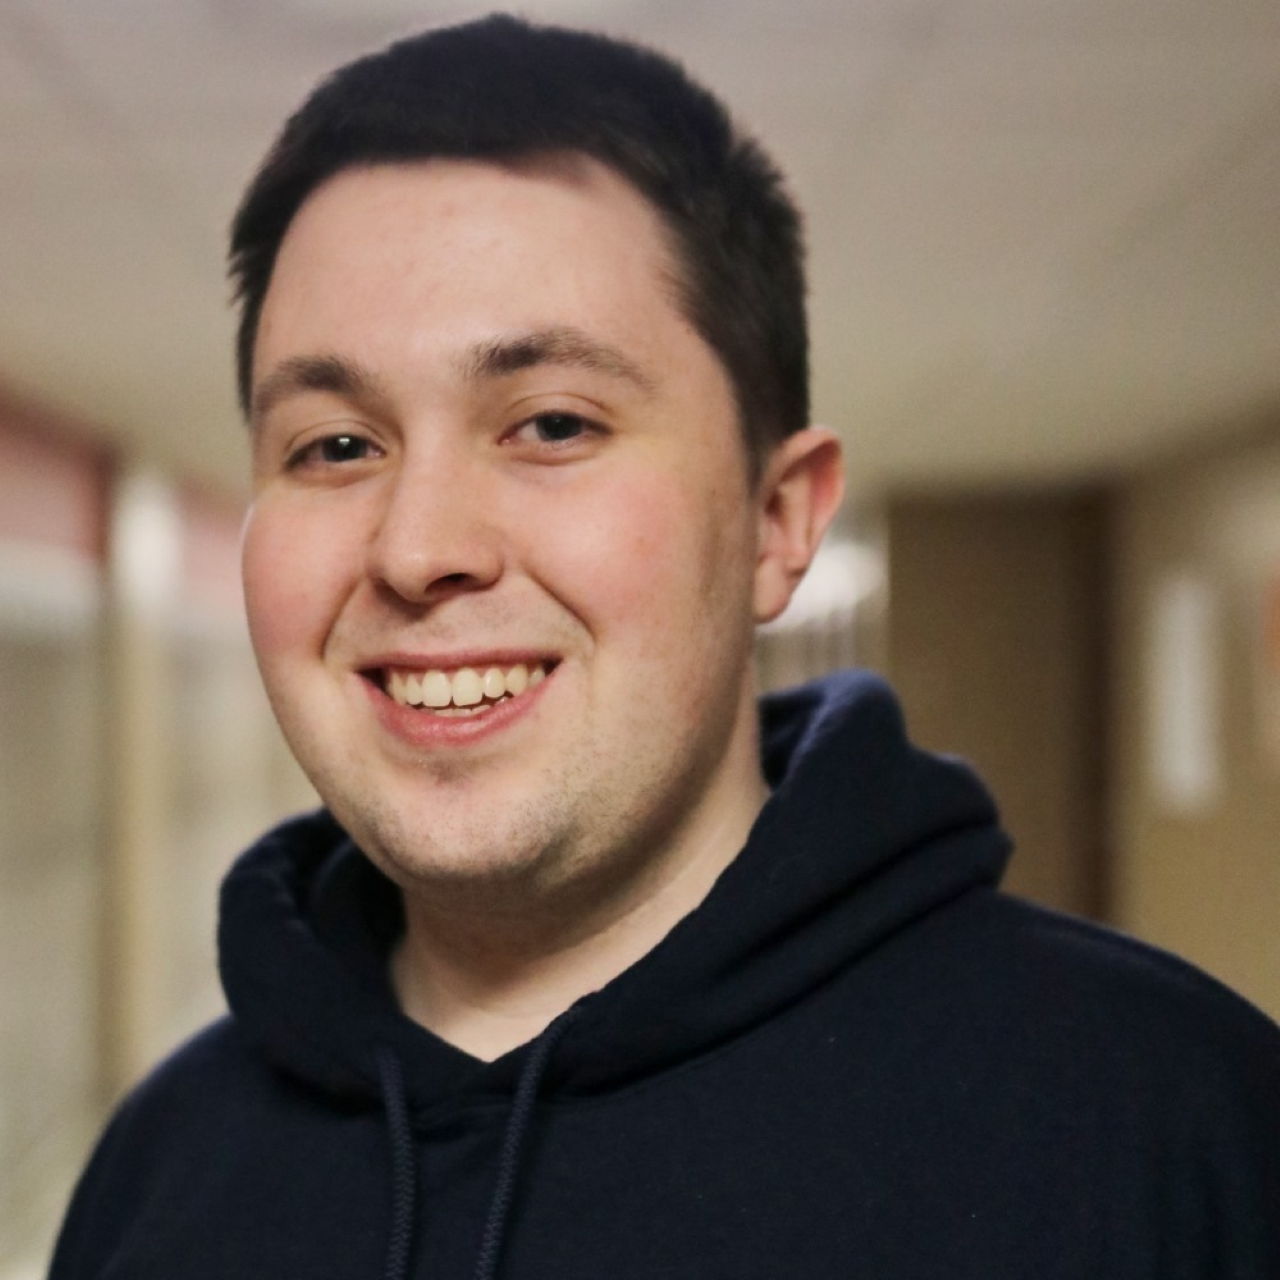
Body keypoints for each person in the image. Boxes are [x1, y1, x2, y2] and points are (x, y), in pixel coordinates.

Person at [50, 14, 1279, 1279]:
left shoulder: (1172, 1133)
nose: (417, 549)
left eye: (551, 424)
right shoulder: (161, 1169)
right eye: (335, 445)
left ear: (775, 520)